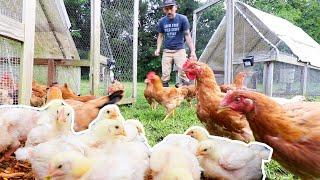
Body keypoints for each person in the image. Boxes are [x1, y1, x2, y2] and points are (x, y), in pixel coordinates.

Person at [155, 0, 197, 87]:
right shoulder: (162, 21)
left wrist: (193, 51)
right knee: (165, 73)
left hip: (179, 50)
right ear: (164, 10)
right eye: (166, 9)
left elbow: (187, 35)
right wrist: (158, 48)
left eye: (171, 8)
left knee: (183, 71)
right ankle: (165, 93)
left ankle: (187, 92)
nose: (169, 11)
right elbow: (160, 36)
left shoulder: (182, 19)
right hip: (167, 50)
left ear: (176, 8)